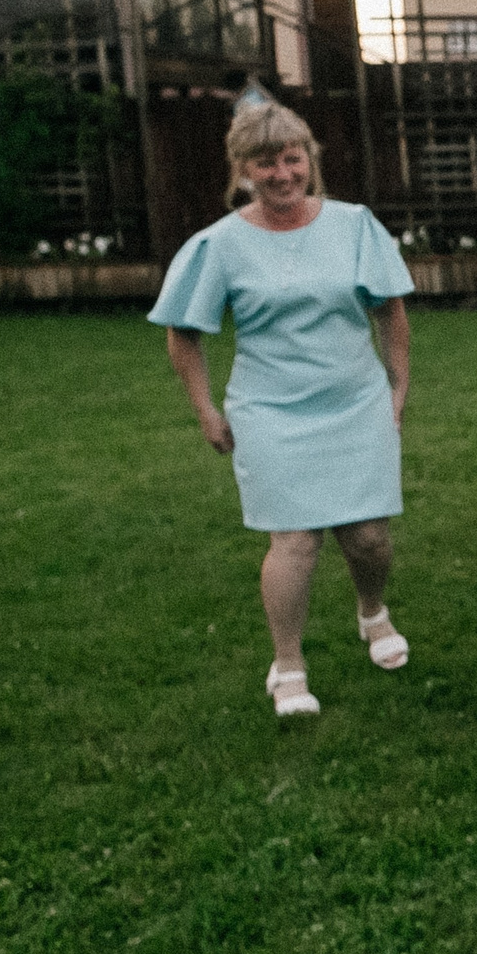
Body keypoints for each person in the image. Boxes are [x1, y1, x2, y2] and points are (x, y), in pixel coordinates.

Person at [149, 99, 414, 718]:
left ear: (310, 160)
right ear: (243, 169)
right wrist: (205, 411)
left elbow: (391, 311)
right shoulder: (219, 244)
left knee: (368, 537)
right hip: (270, 410)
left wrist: (397, 389)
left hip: (354, 401)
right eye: (265, 163)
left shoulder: (355, 226)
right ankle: (288, 664)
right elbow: (183, 333)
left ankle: (372, 611)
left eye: (292, 159)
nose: (282, 174)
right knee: (295, 540)